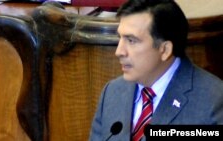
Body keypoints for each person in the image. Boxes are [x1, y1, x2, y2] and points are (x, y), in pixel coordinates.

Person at [89, 0, 223, 141]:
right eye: (120, 38)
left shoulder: (213, 100)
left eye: (131, 40)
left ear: (164, 50)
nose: (119, 51)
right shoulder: (112, 92)